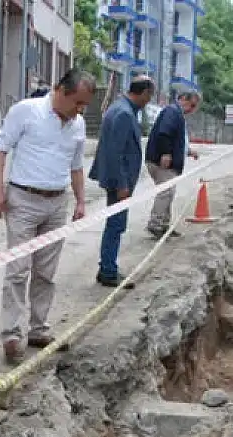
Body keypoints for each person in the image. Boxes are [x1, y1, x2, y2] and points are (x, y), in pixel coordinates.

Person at [0, 69, 95, 366]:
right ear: (60, 90)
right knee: (18, 269)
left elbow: (76, 165)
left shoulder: (78, 124)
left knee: (46, 272)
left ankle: (38, 328)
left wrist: (81, 201)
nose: (79, 110)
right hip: (23, 200)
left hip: (56, 203)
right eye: (77, 103)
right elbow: (0, 150)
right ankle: (11, 334)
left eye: (83, 105)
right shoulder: (26, 111)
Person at [88, 75, 155, 288]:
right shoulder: (124, 114)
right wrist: (122, 184)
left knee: (115, 224)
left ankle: (107, 267)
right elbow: (115, 152)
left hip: (119, 180)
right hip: (119, 183)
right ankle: (108, 270)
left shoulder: (120, 108)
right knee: (116, 225)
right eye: (149, 96)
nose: (148, 101)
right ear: (143, 93)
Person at [144, 91, 201, 239]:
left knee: (169, 193)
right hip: (161, 162)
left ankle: (163, 225)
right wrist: (166, 153)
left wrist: (187, 151)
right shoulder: (172, 112)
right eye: (191, 105)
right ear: (182, 99)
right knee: (165, 192)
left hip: (166, 161)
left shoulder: (177, 114)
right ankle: (156, 224)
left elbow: (176, 140)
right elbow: (164, 133)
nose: (192, 110)